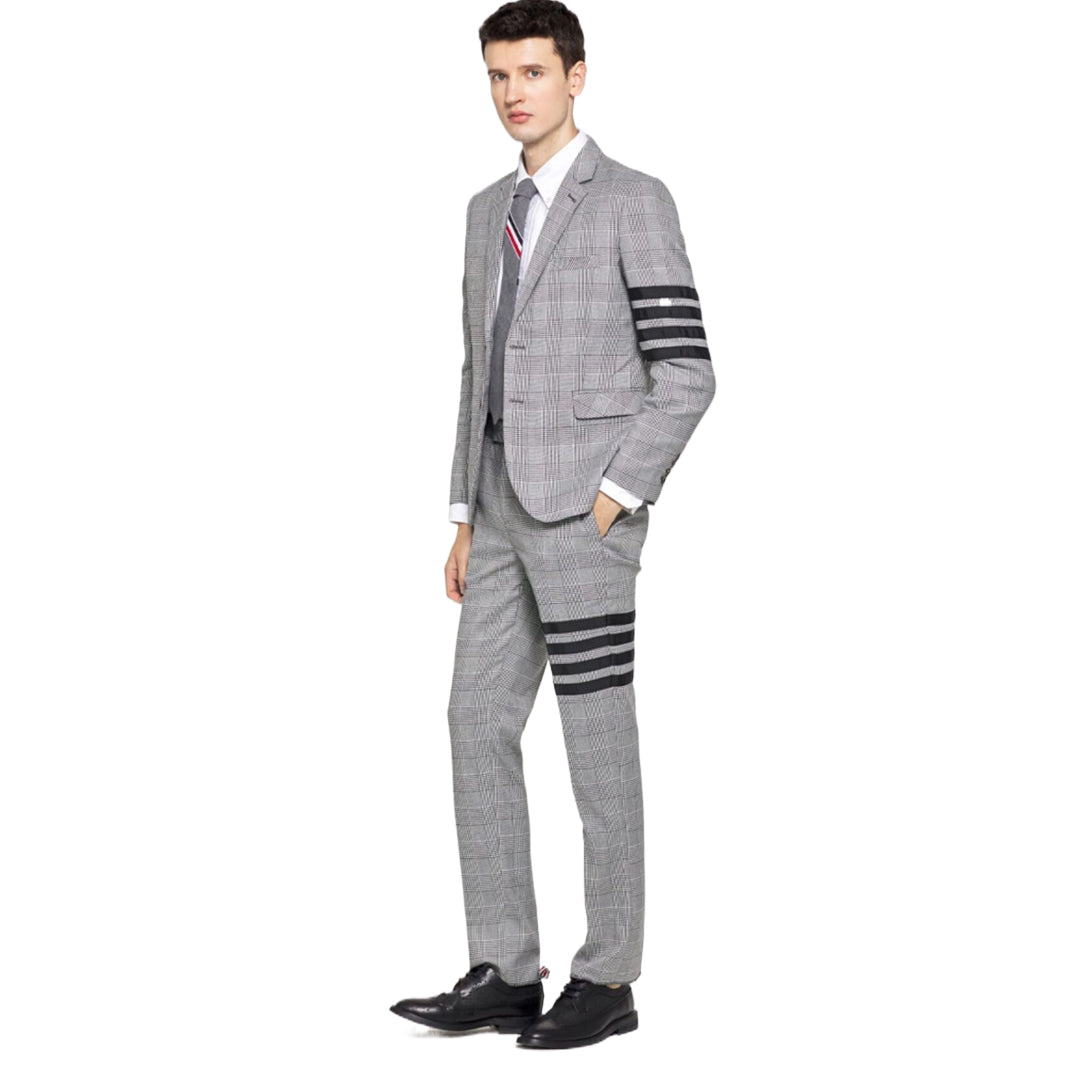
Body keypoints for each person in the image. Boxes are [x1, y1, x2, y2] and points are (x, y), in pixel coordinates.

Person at [390, 0, 715, 1050]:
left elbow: (687, 372)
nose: (512, 93)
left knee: (596, 745)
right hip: (495, 512)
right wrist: (461, 512)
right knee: (473, 721)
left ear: (577, 76)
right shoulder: (486, 209)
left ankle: (608, 976)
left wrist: (617, 494)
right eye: (498, 75)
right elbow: (478, 367)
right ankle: (505, 967)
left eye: (532, 72)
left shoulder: (633, 200)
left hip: (586, 517)